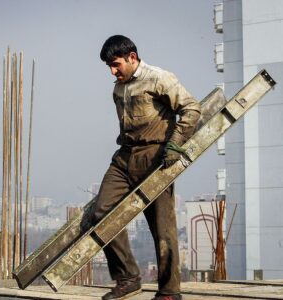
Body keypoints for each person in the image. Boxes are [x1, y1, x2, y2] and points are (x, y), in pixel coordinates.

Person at [93, 35, 201, 300]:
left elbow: (191, 109)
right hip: (125, 157)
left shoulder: (158, 78)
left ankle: (169, 291)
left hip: (156, 156)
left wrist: (175, 144)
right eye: (109, 66)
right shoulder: (118, 88)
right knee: (101, 213)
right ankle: (128, 278)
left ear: (132, 57)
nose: (112, 71)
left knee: (162, 227)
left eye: (116, 64)